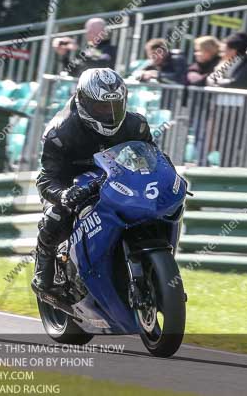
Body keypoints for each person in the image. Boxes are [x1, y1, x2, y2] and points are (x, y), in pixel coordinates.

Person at [31, 68, 155, 295]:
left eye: (114, 106)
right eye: (101, 107)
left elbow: (154, 158)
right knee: (56, 215)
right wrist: (63, 195)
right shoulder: (59, 132)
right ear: (83, 101)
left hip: (114, 177)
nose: (109, 113)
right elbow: (47, 177)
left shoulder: (136, 125)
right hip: (70, 181)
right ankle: (43, 269)